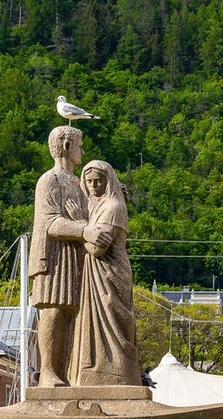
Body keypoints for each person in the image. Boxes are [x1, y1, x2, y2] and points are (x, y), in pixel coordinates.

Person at [28, 126, 89, 387]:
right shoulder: (49, 180)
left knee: (73, 314)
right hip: (52, 256)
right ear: (66, 146)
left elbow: (92, 213)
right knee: (53, 312)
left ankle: (70, 373)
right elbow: (50, 222)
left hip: (75, 255)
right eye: (79, 145)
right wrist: (85, 228)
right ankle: (49, 373)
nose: (82, 151)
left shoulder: (79, 183)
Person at [71, 159, 140, 385]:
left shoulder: (113, 208)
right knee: (93, 322)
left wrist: (80, 223)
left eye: (98, 181)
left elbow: (96, 248)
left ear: (107, 181)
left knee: (113, 318)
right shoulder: (95, 205)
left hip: (110, 272)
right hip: (93, 275)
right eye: (89, 181)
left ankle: (114, 370)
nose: (93, 185)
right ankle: (96, 368)